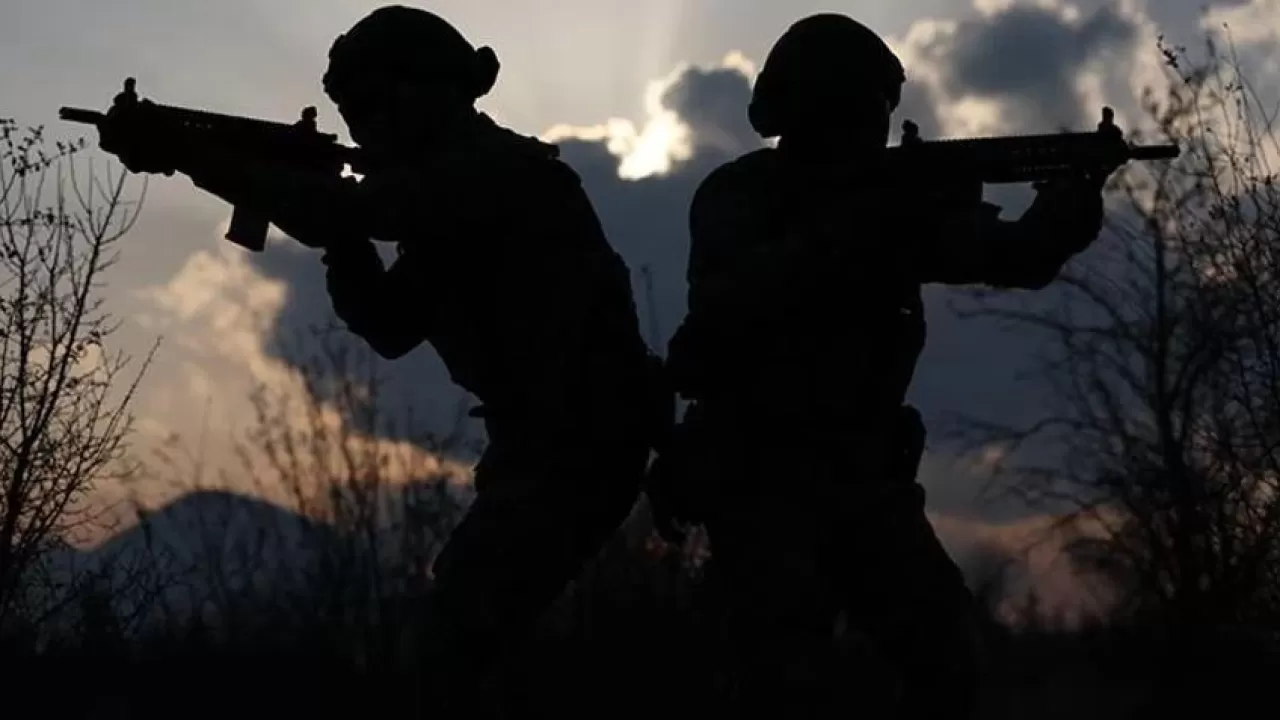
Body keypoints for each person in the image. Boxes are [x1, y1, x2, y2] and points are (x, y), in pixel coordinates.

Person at [96, 5, 668, 713]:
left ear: (426, 93)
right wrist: (338, 237)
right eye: (354, 113)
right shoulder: (445, 200)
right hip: (544, 446)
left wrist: (198, 158)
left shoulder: (496, 173)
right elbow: (389, 324)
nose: (365, 129)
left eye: (373, 107)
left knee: (452, 641)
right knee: (461, 643)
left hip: (581, 442)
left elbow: (350, 212)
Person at [653, 13, 1110, 717]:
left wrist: (1070, 202)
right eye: (864, 108)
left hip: (864, 484)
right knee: (782, 683)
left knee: (950, 664)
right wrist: (869, 225)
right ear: (820, 110)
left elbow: (1014, 256)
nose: (877, 126)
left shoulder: (889, 205)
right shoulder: (739, 195)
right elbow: (740, 295)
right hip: (762, 479)